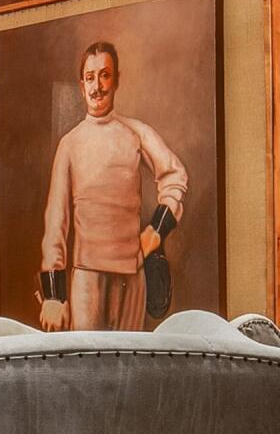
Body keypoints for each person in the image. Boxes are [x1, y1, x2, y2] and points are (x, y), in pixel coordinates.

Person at [38, 40, 188, 330]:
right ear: (82, 85)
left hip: (132, 275)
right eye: (90, 78)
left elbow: (175, 176)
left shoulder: (136, 132)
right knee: (87, 366)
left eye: (104, 75)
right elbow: (56, 222)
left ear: (116, 80)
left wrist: (155, 232)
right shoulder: (69, 144)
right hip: (85, 279)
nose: (97, 87)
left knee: (129, 366)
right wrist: (54, 297)